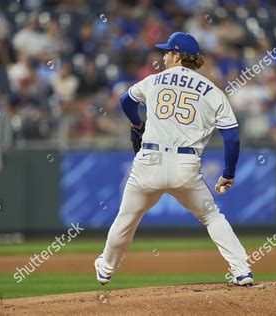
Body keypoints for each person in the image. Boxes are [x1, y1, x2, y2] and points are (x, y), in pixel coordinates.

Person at [95, 32, 253, 286]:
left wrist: (138, 124)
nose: (164, 56)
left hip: (149, 162)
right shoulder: (212, 91)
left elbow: (125, 101)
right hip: (186, 167)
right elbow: (231, 137)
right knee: (212, 217)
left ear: (177, 55)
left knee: (126, 218)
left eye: (167, 52)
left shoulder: (154, 80)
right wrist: (229, 172)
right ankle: (242, 270)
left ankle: (106, 268)